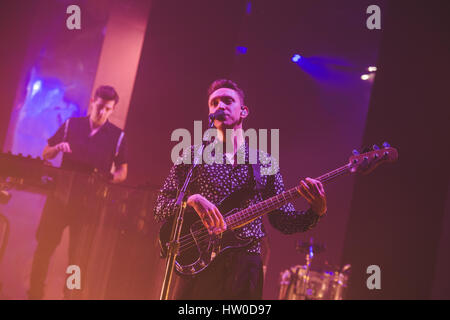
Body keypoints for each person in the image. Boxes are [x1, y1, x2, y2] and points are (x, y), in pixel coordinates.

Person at [154, 79, 327, 299]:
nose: (220, 106)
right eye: (214, 103)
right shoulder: (193, 156)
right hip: (200, 264)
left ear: (243, 111)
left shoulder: (264, 162)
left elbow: (282, 220)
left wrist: (315, 212)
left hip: (246, 268)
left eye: (227, 101)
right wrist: (192, 201)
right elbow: (160, 206)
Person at [28, 85, 128, 299]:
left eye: (108, 109)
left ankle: (70, 297)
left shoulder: (117, 136)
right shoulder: (71, 125)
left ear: (113, 110)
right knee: (44, 247)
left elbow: (123, 170)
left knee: (78, 258)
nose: (102, 112)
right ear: (93, 101)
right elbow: (46, 153)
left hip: (88, 204)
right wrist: (57, 148)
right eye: (100, 106)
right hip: (60, 197)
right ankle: (35, 293)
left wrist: (110, 178)